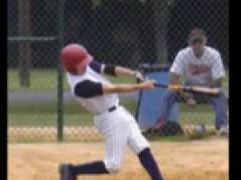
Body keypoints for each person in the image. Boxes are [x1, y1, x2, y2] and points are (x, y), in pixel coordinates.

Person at [58, 43, 163, 180]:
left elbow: (108, 69)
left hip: (119, 111)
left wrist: (134, 73)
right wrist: (142, 86)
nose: (87, 64)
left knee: (142, 147)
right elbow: (114, 88)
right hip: (110, 120)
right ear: (73, 67)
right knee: (113, 166)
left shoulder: (83, 65)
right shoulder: (79, 86)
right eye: (82, 63)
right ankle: (71, 170)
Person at [155, 28, 228, 135]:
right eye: (194, 42)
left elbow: (218, 80)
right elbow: (173, 77)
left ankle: (221, 127)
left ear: (205, 41)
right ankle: (160, 125)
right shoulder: (183, 54)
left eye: (200, 41)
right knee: (169, 94)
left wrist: (205, 90)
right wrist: (187, 96)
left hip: (208, 89)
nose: (197, 45)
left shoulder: (214, 54)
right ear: (189, 43)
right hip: (189, 89)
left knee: (220, 95)